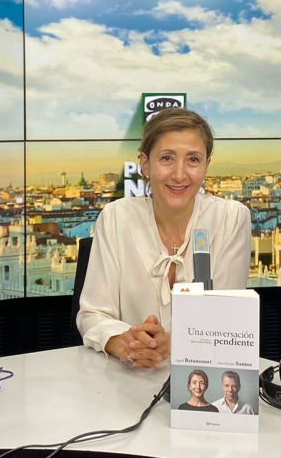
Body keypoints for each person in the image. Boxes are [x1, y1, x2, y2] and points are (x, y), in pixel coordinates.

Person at [76, 108, 251, 369]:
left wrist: (174, 343)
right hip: (126, 378)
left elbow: (226, 316)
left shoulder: (231, 218)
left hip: (203, 376)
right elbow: (93, 314)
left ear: (206, 165)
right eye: (167, 158)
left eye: (193, 159)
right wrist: (123, 342)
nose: (179, 174)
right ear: (145, 164)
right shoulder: (116, 217)